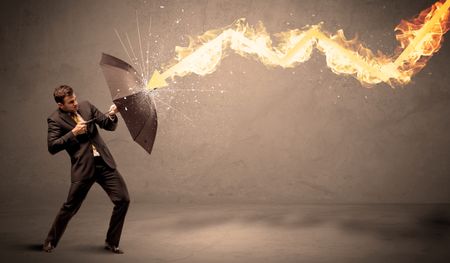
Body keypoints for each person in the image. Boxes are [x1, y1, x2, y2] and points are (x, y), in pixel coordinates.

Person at [42, 85, 130, 254]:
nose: (75, 103)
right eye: (70, 102)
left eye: (75, 99)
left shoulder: (86, 106)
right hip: (83, 168)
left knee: (123, 200)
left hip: (103, 163)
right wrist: (73, 133)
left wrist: (112, 114)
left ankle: (111, 242)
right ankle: (50, 241)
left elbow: (108, 125)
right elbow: (52, 147)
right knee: (70, 207)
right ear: (61, 105)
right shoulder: (55, 120)